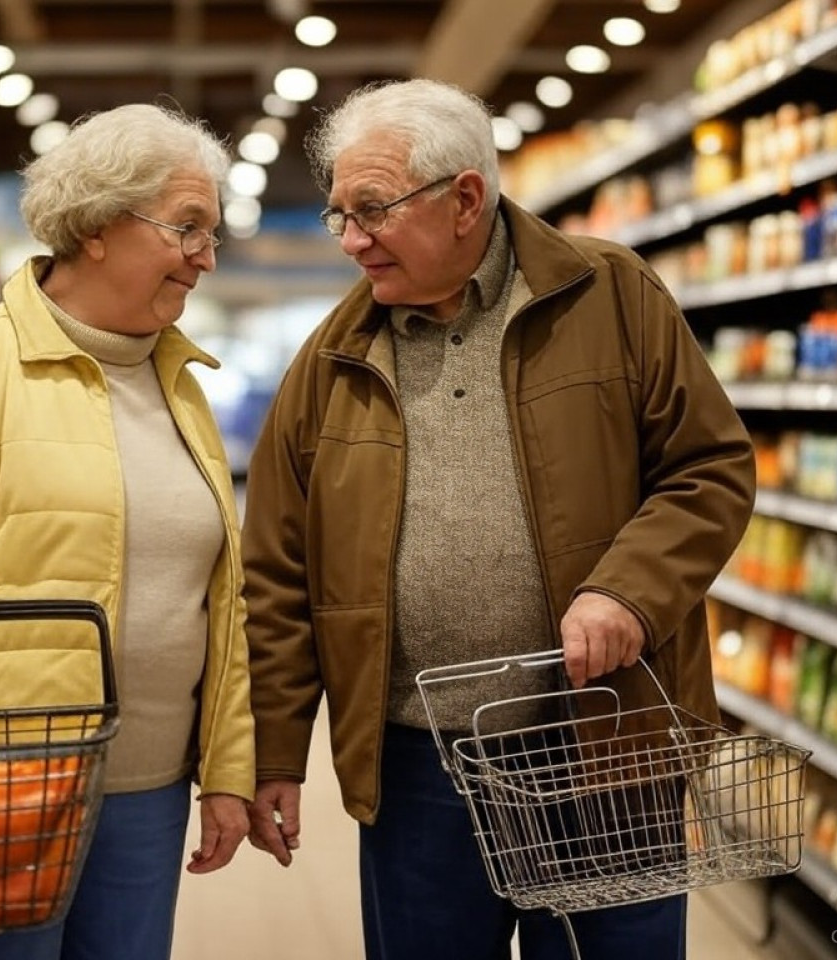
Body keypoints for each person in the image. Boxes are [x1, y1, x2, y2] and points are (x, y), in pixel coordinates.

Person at [240, 78, 756, 960]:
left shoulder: (611, 296)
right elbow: (280, 578)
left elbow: (709, 468)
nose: (352, 240)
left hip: (604, 746)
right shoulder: (331, 360)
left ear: (465, 198)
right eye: (338, 215)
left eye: (371, 210)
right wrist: (276, 756)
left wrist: (627, 595)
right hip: (420, 767)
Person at [0, 102, 254, 960]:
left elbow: (220, 603)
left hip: (149, 785)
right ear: (98, 225)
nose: (207, 257)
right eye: (188, 229)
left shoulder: (180, 386)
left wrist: (229, 773)